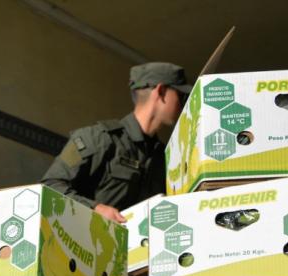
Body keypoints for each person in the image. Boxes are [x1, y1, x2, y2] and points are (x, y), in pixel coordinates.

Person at [41, 62, 192, 223]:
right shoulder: (97, 138)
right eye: (180, 96)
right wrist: (94, 209)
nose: (183, 104)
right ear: (161, 91)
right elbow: (50, 186)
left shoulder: (165, 158)